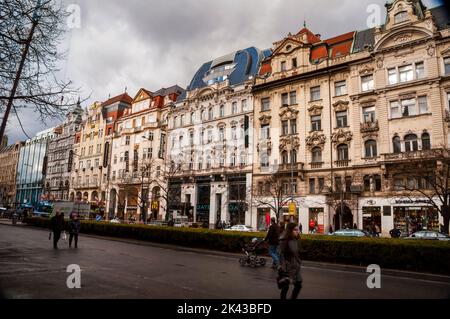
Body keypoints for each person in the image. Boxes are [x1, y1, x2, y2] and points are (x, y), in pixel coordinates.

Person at [277, 223, 302, 299]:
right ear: (290, 230)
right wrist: (283, 268)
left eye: (298, 229)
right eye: (295, 230)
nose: (297, 231)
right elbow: (280, 254)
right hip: (287, 267)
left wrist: (299, 261)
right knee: (285, 287)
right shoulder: (284, 240)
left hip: (295, 267)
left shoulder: (296, 239)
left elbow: (296, 253)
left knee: (298, 285)